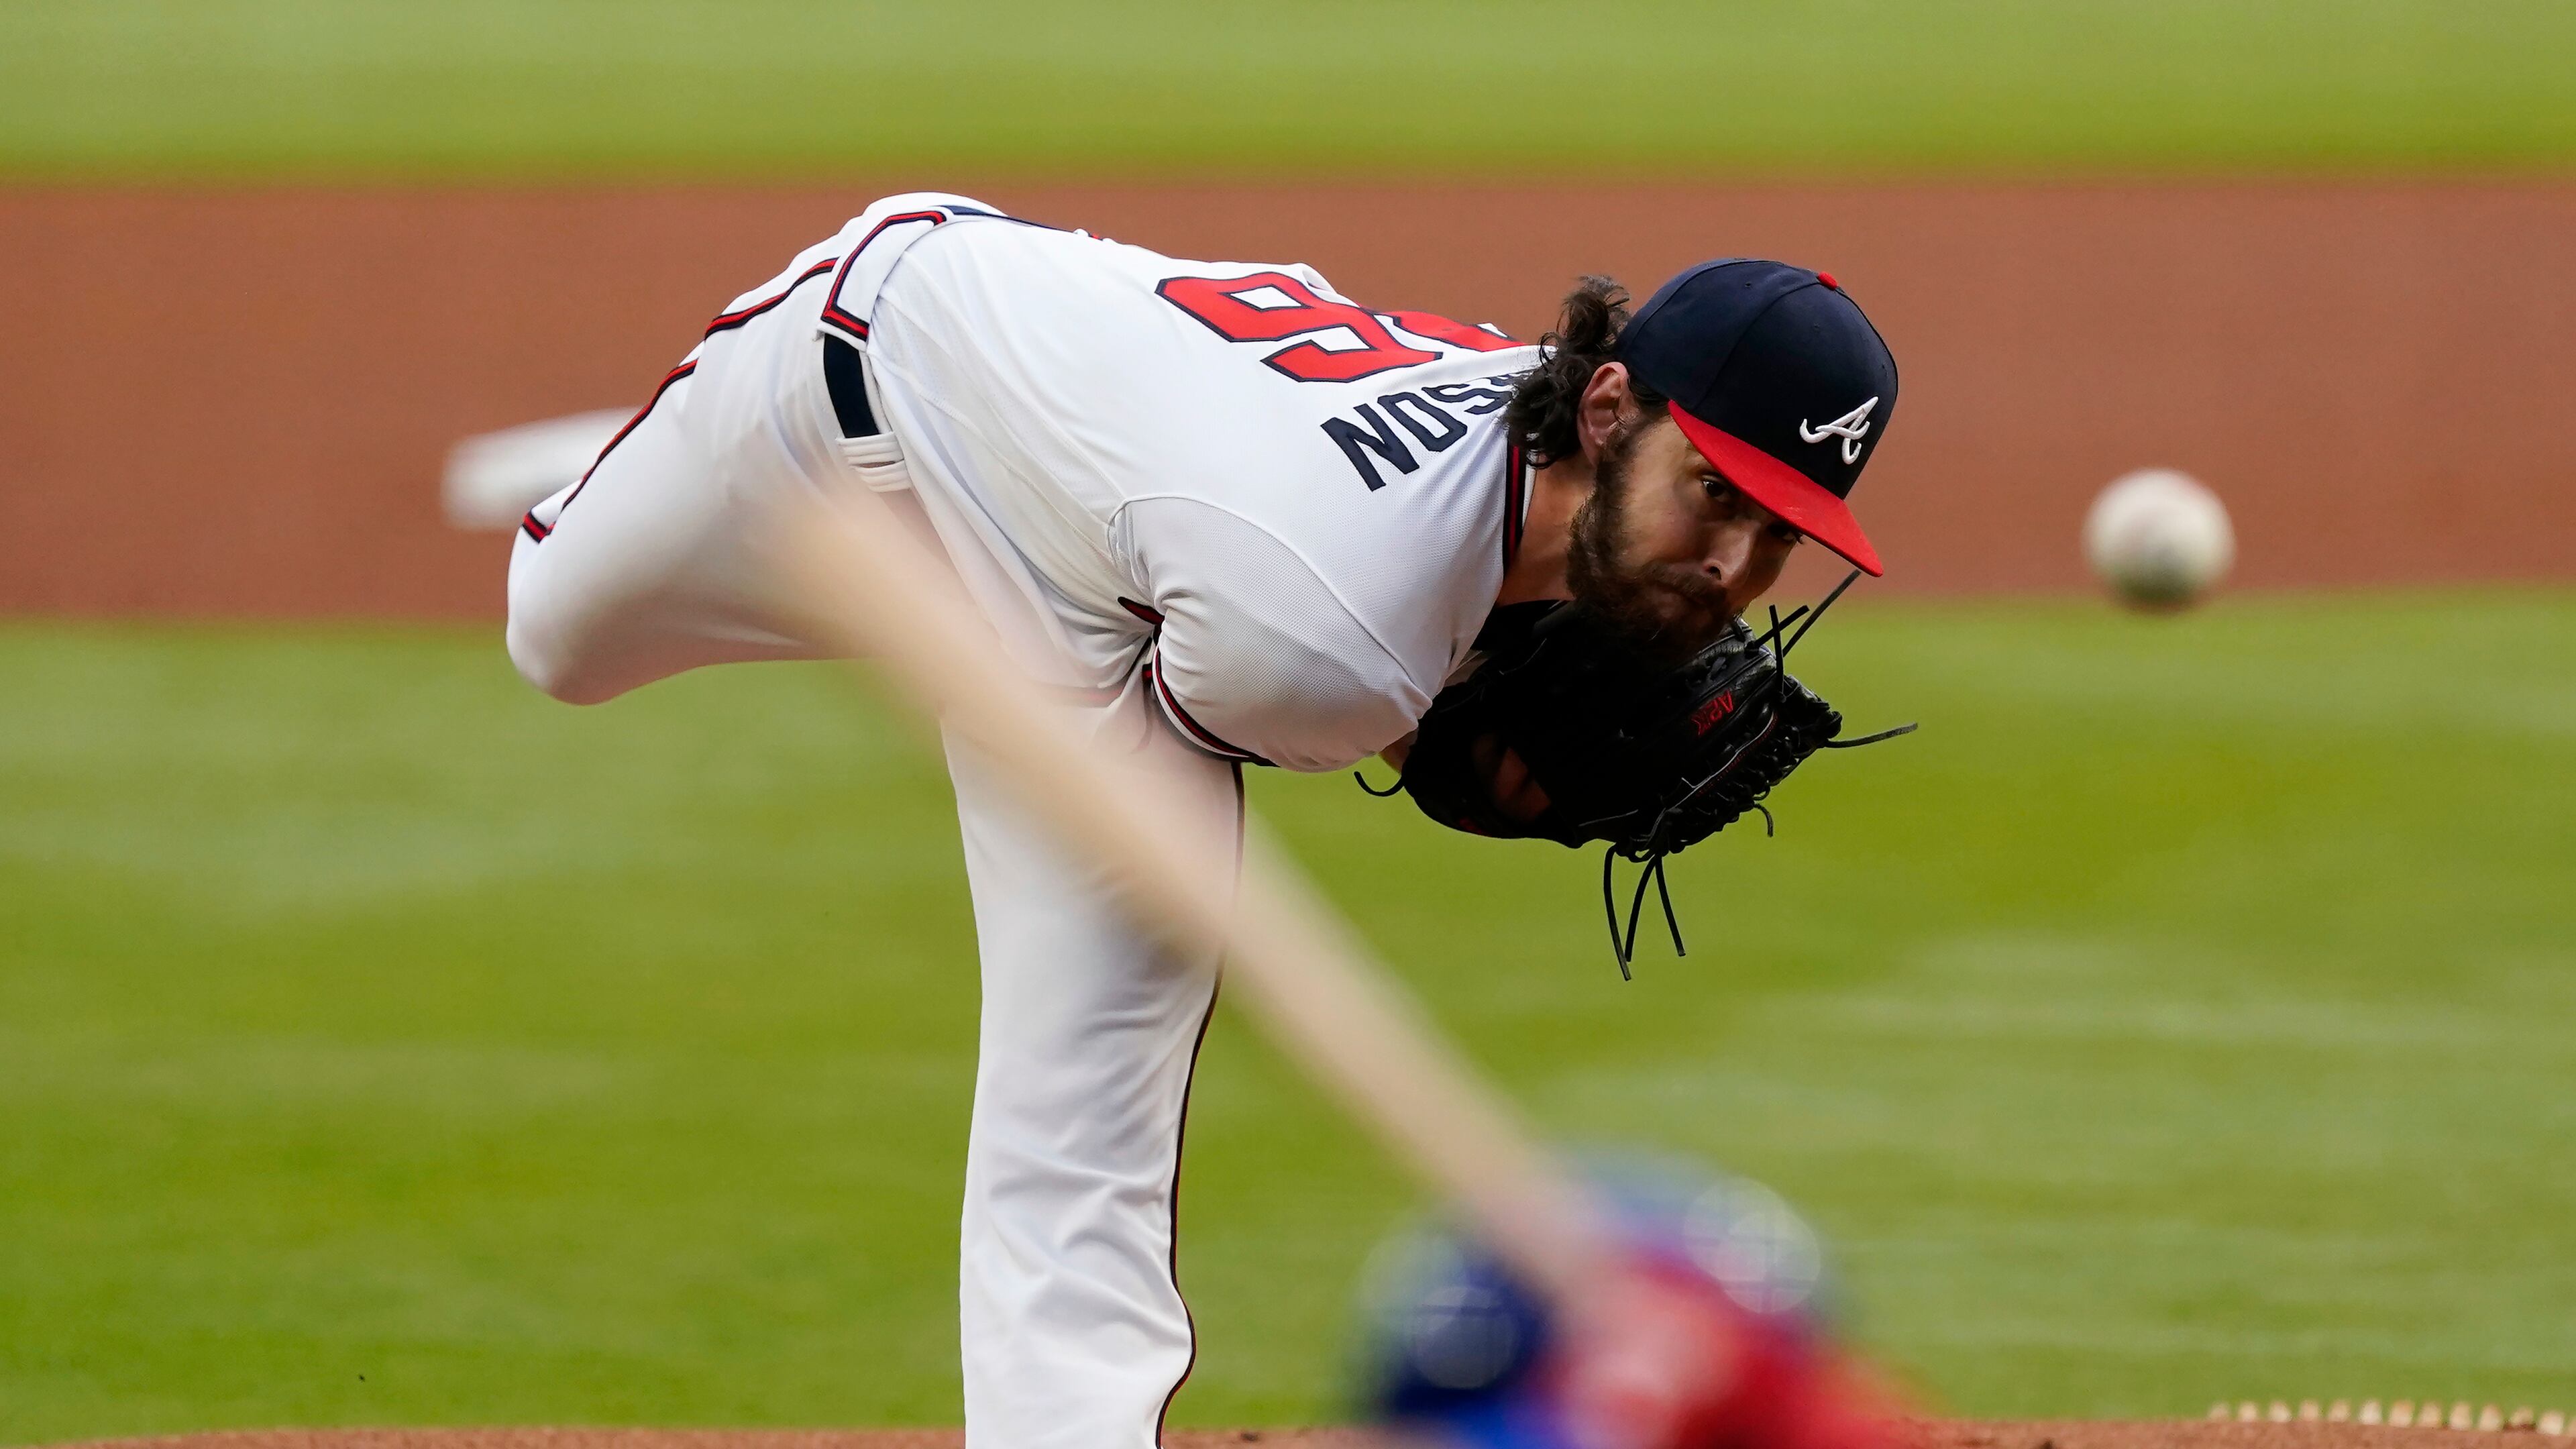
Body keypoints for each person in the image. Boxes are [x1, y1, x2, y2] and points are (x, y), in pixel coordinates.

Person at [503, 192, 1899, 1449]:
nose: (1734, 565)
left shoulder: (1492, 465)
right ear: (1605, 411)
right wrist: (1458, 690)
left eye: (1781, 532)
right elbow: (1309, 661)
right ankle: (645, 474)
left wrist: (1485, 647)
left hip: (1106, 576)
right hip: (861, 364)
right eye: (1715, 493)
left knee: (1091, 1074)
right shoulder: (1329, 634)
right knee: (554, 640)